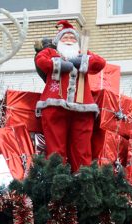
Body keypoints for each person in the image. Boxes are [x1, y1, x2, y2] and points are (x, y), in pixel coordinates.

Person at [35, 20, 106, 172]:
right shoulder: (50, 52)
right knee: (55, 148)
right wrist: (59, 64)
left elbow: (100, 63)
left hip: (83, 107)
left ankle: (82, 180)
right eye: (65, 38)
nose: (69, 41)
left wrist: (84, 60)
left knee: (82, 149)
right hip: (55, 105)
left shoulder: (84, 54)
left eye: (72, 38)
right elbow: (41, 61)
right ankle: (57, 178)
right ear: (58, 41)